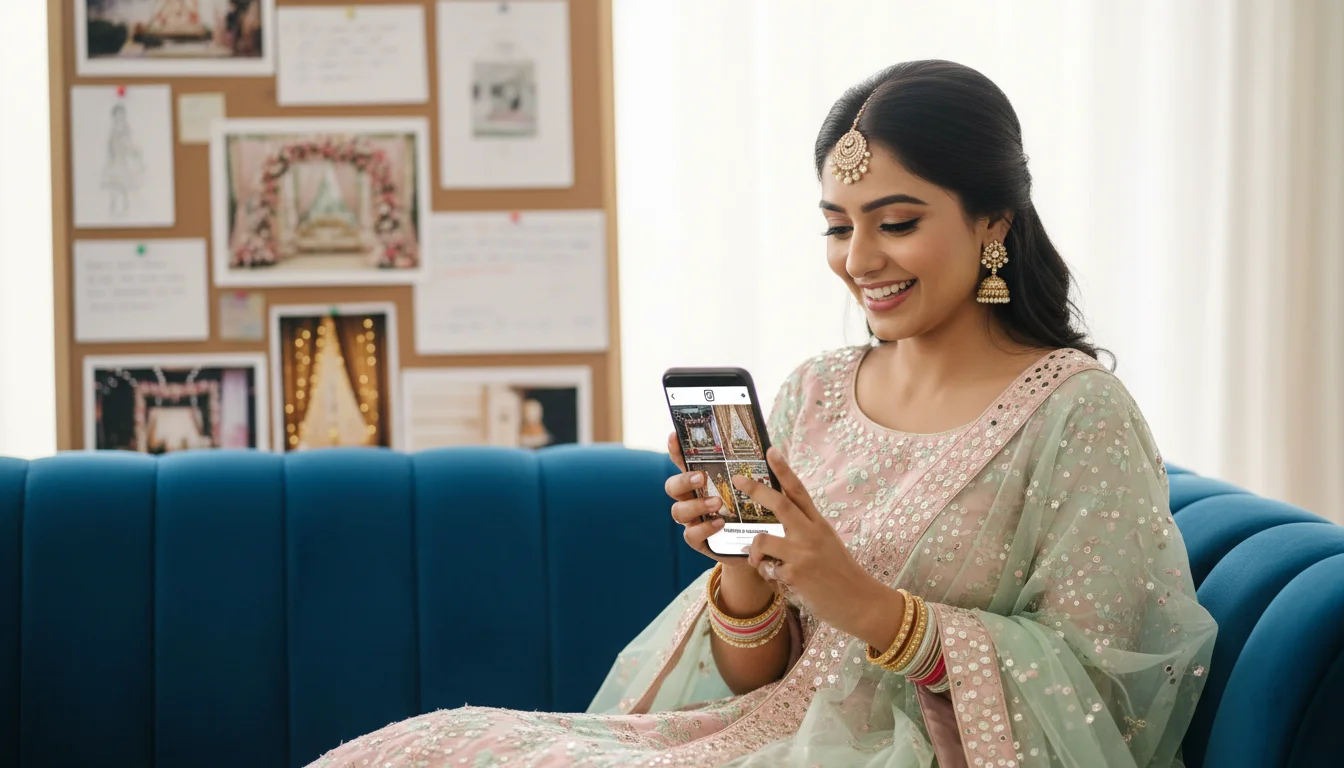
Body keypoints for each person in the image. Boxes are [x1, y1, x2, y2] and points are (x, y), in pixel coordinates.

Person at [308, 60, 1216, 768]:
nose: (858, 258)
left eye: (895, 221)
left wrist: (869, 607)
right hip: (746, 734)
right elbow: (759, 674)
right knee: (415, 748)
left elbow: (1105, 696)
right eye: (836, 224)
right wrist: (740, 573)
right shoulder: (815, 389)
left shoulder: (1077, 415)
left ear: (993, 222)